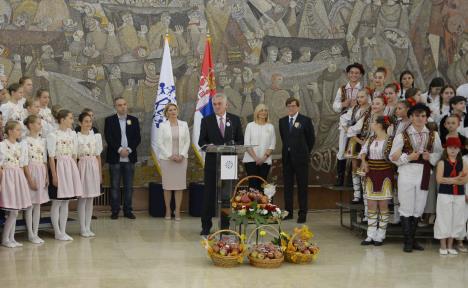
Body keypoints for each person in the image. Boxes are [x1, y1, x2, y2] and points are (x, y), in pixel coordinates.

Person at [390, 103, 443, 252]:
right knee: (406, 207)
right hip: (406, 172)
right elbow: (392, 157)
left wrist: (430, 156)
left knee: (419, 207)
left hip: (424, 173)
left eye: (423, 115)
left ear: (426, 118)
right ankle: (408, 241)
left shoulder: (433, 134)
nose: (420, 118)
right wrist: (408, 157)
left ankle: (413, 240)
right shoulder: (402, 135)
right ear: (411, 117)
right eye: (416, 115)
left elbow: (440, 154)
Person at [198, 93, 243, 235]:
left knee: (226, 195)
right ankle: (206, 226)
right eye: (214, 104)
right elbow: (201, 141)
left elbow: (240, 141)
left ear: (226, 105)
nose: (217, 106)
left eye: (219, 104)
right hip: (213, 162)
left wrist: (233, 145)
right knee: (209, 194)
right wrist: (209, 146)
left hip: (229, 162)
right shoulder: (207, 120)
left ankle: (225, 226)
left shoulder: (235, 120)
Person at [47, 109, 83, 241]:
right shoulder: (53, 135)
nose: (72, 121)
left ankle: (63, 230)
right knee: (57, 202)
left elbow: (74, 155)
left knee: (66, 201)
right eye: (70, 118)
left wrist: (75, 174)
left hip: (69, 167)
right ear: (62, 119)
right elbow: (51, 157)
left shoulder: (72, 134)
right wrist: (54, 175)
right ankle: (57, 231)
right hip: (59, 166)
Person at [359, 116, 394, 246]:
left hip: (385, 173)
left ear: (380, 125)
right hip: (371, 173)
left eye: (374, 122)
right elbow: (363, 152)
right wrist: (364, 161)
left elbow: (393, 157)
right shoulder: (371, 139)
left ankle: (381, 234)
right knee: (371, 204)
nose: (372, 124)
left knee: (383, 205)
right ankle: (370, 234)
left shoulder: (391, 140)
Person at [279, 97, 315, 223]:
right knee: (288, 186)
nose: (291, 108)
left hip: (301, 159)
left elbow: (311, 139)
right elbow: (285, 138)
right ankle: (288, 211)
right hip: (287, 159)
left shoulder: (305, 120)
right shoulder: (282, 121)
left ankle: (302, 213)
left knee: (302, 186)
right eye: (289, 106)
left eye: (293, 106)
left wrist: (304, 152)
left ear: (298, 107)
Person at [104, 97, 141, 220]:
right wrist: (120, 150)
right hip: (115, 157)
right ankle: (115, 210)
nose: (123, 107)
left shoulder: (133, 120)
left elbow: (137, 138)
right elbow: (109, 138)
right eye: (120, 105)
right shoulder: (109, 120)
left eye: (124, 104)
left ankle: (128, 210)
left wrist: (129, 150)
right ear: (115, 107)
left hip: (129, 158)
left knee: (129, 186)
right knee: (114, 186)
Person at [0, 120, 32, 248]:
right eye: (18, 129)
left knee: (15, 210)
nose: (20, 132)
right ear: (10, 131)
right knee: (12, 211)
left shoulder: (20, 146)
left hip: (18, 177)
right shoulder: (2, 145)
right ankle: (5, 239)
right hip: (8, 177)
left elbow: (22, 163)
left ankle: (11, 238)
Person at [435, 137, 468, 255]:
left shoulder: (463, 163)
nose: (453, 150)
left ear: (459, 149)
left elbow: (464, 181)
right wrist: (455, 179)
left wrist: (448, 180)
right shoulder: (442, 163)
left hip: (459, 195)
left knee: (456, 219)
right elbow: (439, 180)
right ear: (446, 149)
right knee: (444, 218)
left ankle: (450, 245)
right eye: (450, 148)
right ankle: (443, 245)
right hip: (445, 194)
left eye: (455, 148)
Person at [156, 103, 190, 221]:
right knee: (168, 187)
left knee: (179, 186)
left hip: (181, 159)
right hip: (167, 160)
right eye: (170, 110)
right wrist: (170, 156)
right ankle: (168, 210)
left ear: (177, 111)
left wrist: (181, 155)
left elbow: (187, 142)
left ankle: (178, 211)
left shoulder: (184, 124)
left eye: (174, 109)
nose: (172, 111)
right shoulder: (163, 126)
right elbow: (159, 143)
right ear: (166, 113)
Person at [333, 63, 364, 186]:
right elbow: (335, 106)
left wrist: (358, 104)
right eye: (351, 72)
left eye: (357, 73)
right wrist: (343, 104)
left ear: (360, 75)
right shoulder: (342, 89)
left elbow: (369, 105)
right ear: (347, 74)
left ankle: (353, 180)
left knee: (357, 150)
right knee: (342, 149)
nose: (354, 75)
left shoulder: (363, 89)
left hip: (359, 123)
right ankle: (340, 179)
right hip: (345, 123)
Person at [23, 115, 49, 244]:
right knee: (30, 205)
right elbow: (24, 162)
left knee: (38, 204)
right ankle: (30, 234)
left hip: (41, 171)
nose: (40, 125)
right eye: (38, 123)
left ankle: (36, 232)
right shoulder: (25, 141)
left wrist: (46, 176)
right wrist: (29, 178)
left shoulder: (42, 141)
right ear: (31, 125)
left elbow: (44, 160)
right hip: (31, 172)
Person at [76, 112, 103, 237]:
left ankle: (88, 226)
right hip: (82, 166)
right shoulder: (76, 137)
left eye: (90, 121)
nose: (88, 124)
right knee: (83, 198)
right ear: (80, 123)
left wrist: (99, 173)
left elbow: (98, 156)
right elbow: (74, 157)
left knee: (90, 198)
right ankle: (82, 227)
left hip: (92, 166)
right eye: (86, 121)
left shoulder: (95, 137)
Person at [343, 89, 371, 203]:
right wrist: (348, 129)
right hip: (355, 139)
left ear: (368, 97)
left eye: (362, 97)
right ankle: (357, 194)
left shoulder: (371, 109)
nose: (360, 99)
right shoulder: (355, 108)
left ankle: (365, 194)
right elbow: (347, 123)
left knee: (364, 166)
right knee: (354, 166)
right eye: (358, 97)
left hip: (365, 138)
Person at [242, 104, 276, 190]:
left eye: (265, 110)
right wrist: (256, 158)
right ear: (257, 112)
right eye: (261, 110)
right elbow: (247, 144)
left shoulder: (270, 127)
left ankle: (262, 203)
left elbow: (272, 145)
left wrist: (263, 158)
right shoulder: (250, 125)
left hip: (265, 161)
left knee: (262, 185)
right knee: (252, 185)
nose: (263, 112)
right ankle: (253, 204)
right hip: (250, 160)